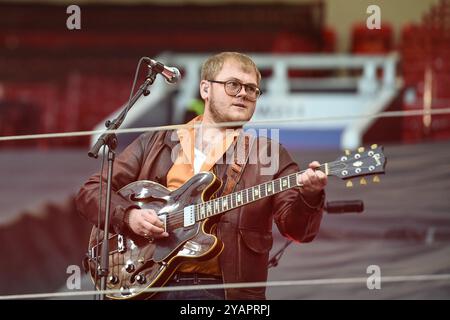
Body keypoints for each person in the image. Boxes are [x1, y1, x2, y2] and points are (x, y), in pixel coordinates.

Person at [75, 52, 327, 300]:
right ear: (205, 89)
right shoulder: (155, 142)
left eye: (252, 89)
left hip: (221, 291)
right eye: (233, 85)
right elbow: (91, 191)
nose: (243, 93)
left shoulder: (269, 154)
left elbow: (298, 231)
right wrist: (129, 215)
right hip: (147, 285)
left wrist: (310, 195)